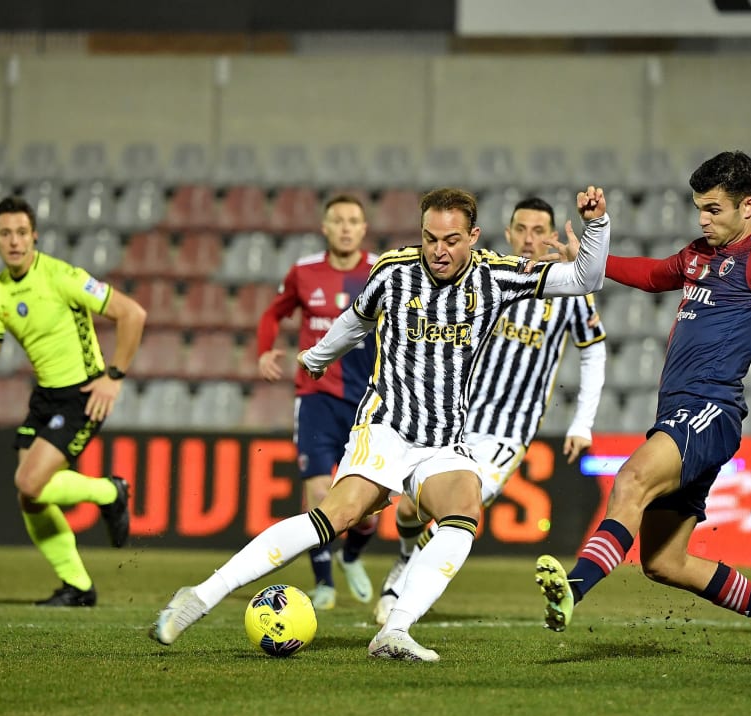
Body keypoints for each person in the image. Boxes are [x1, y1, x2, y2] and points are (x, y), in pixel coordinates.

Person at [152, 186, 611, 661]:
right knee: (336, 517)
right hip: (386, 427)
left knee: (464, 510)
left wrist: (596, 226)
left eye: (451, 240)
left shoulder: (497, 276)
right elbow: (356, 320)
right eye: (430, 238)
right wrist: (319, 355)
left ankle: (395, 629)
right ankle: (201, 595)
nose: (439, 250)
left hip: (444, 441)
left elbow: (588, 278)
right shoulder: (393, 271)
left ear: (473, 236)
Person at [534, 151, 751, 663]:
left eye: (714, 210)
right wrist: (590, 263)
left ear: (748, 206)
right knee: (664, 561)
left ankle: (574, 585)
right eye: (699, 208)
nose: (703, 219)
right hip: (680, 411)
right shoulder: (701, 253)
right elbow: (654, 274)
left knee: (631, 479)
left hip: (710, 408)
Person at [374, 197, 608, 625]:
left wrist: (583, 422)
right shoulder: (484, 276)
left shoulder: (566, 291)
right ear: (508, 231)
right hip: (456, 420)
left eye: (540, 231)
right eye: (521, 229)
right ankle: (405, 560)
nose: (529, 239)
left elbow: (593, 351)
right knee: (408, 510)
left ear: (552, 236)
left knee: (457, 511)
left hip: (507, 433)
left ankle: (403, 596)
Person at [0, 196, 146, 606]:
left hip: (84, 393)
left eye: (21, 232)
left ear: (34, 235)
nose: (14, 241)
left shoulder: (61, 276)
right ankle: (78, 587)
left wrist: (114, 377)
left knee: (29, 482)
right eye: (5, 234)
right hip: (46, 397)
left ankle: (110, 492)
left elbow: (132, 314)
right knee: (29, 497)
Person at [257, 194, 379, 610]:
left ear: (364, 228)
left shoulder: (380, 271)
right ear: (324, 227)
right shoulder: (303, 272)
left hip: (368, 400)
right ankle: (323, 582)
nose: (345, 227)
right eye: (337, 220)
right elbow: (273, 314)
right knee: (319, 493)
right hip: (316, 397)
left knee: (370, 510)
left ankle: (351, 556)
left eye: (353, 220)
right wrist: (265, 349)